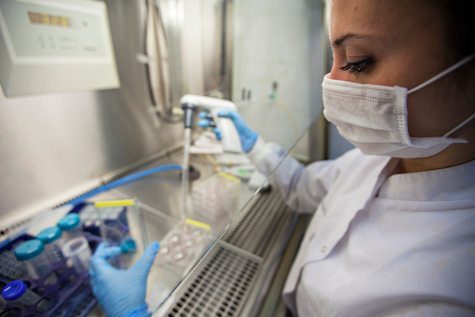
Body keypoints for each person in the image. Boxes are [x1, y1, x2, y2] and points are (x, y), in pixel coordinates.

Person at [90, 0, 475, 316]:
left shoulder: (450, 291)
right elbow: (304, 187)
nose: (332, 83)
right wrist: (253, 143)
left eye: (358, 60)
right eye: (334, 57)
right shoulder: (379, 157)